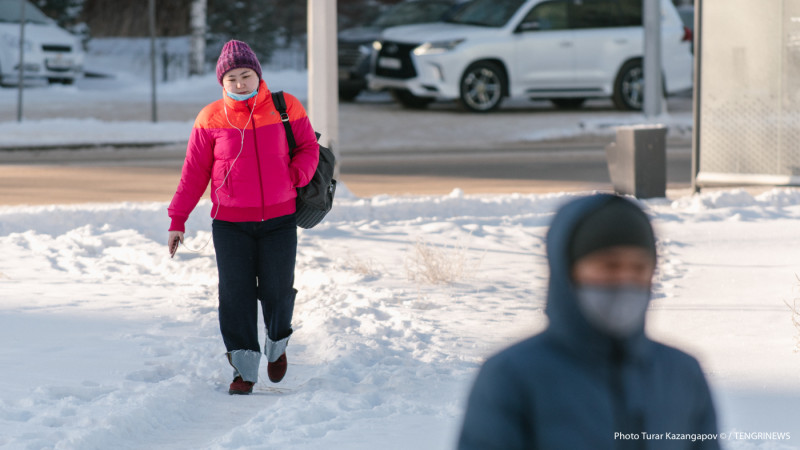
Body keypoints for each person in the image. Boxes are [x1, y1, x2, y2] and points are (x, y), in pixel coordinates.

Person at [458, 194, 720, 449]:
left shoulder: (682, 374)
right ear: (568, 272)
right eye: (610, 266)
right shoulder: (513, 376)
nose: (625, 281)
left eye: (639, 268)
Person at [167, 40, 319, 395]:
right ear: (222, 82)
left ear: (258, 74)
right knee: (235, 296)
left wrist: (294, 177)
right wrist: (178, 219)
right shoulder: (210, 118)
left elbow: (309, 147)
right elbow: (193, 174)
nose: (239, 84)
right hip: (230, 224)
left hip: (279, 220)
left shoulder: (285, 107)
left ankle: (278, 344)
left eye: (245, 75)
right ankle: (244, 371)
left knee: (277, 290)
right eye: (231, 78)